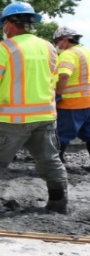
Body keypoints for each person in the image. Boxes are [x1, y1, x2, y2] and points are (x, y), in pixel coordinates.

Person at [0, 2, 69, 214]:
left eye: (3, 24)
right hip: (45, 115)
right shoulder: (49, 47)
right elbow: (53, 79)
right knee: (50, 159)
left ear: (8, 24)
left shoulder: (3, 48)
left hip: (11, 118)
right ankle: (58, 202)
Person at [53, 26, 90, 163]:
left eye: (57, 41)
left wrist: (58, 93)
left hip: (72, 103)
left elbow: (63, 75)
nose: (56, 45)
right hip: (88, 101)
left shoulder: (68, 54)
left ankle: (58, 162)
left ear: (65, 40)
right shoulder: (87, 52)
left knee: (62, 134)